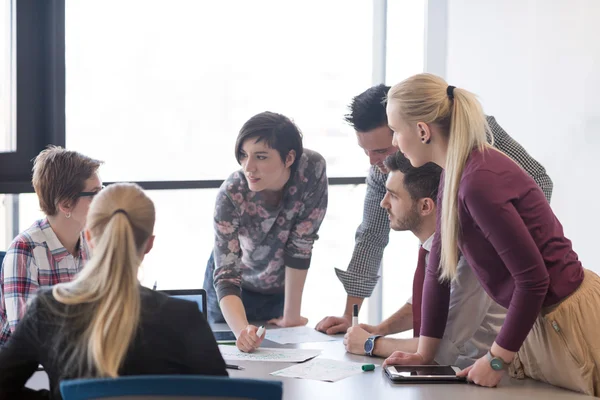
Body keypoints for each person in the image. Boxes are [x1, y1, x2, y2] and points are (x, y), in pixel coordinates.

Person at [383, 73, 600, 395]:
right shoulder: (454, 174)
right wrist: (424, 353)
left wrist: (497, 359)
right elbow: (438, 269)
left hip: (566, 318)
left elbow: (533, 281)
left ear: (422, 130)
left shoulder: (478, 181)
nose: (394, 142)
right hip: (539, 320)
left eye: (395, 131)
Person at [316, 84, 553, 335]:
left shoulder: (474, 141)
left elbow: (538, 181)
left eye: (382, 149)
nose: (374, 162)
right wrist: (350, 316)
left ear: (415, 129)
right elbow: (371, 235)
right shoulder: (383, 169)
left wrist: (495, 242)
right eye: (365, 151)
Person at [0, 183, 228, 400]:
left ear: (88, 237)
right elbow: (223, 395)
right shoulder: (184, 317)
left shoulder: (47, 309)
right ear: (149, 244)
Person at [343, 152, 506, 368]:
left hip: (478, 377)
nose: (383, 203)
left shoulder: (469, 258)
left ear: (426, 206)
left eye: (393, 195)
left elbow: (440, 348)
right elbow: (421, 305)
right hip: (447, 372)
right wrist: (379, 330)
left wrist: (371, 344)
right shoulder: (433, 245)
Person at [204, 111, 328, 353]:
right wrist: (241, 331)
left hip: (277, 289)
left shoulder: (311, 169)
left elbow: (301, 244)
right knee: (233, 358)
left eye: (260, 157)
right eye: (243, 155)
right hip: (231, 291)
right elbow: (227, 275)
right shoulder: (230, 193)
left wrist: (291, 317)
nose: (248, 167)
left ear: (289, 157)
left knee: (277, 362)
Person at [0, 146, 103, 346]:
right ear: (65, 205)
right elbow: (26, 337)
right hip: (27, 370)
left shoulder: (93, 243)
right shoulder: (25, 250)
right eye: (93, 194)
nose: (103, 201)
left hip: (76, 358)